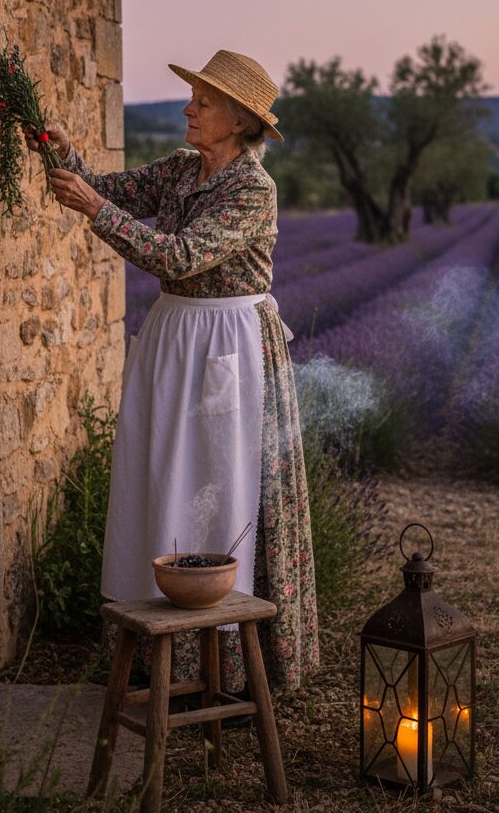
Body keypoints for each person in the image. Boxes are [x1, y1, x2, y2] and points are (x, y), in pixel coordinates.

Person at [26, 49, 319, 691]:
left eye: (204, 102)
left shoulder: (252, 189)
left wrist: (93, 211)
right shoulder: (184, 171)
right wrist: (64, 153)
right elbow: (112, 190)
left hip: (228, 346)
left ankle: (218, 666)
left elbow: (179, 256)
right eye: (195, 98)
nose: (190, 108)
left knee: (218, 482)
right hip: (175, 336)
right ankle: (157, 654)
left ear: (240, 121)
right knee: (162, 473)